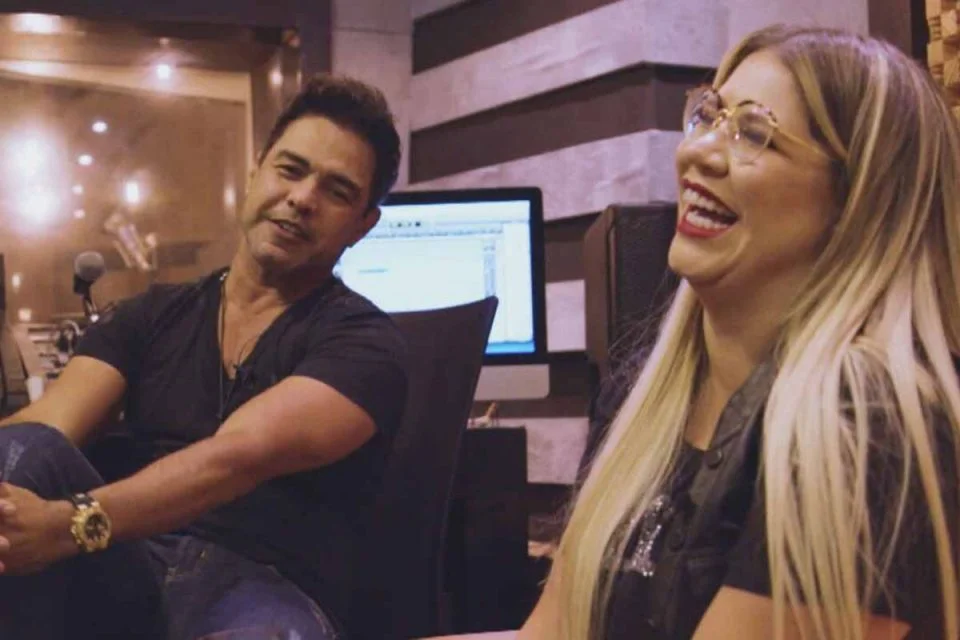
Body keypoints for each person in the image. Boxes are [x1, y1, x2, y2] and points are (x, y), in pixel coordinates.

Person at [432, 24, 960, 640]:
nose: (698, 153)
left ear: (857, 205)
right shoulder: (639, 398)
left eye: (755, 133)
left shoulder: (869, 425)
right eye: (709, 115)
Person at [0, 72, 408, 640]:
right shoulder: (152, 314)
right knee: (25, 448)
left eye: (337, 191)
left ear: (364, 226)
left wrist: (72, 524)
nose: (302, 198)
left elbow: (238, 457)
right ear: (256, 172)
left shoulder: (365, 342)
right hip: (133, 568)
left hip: (268, 589)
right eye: (290, 169)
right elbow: (45, 429)